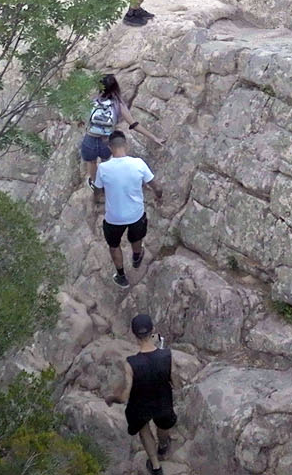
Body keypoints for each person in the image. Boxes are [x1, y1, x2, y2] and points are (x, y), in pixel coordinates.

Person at [117, 313, 179, 475]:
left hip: (141, 403)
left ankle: (156, 467)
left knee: (143, 428)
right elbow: (175, 382)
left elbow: (125, 396)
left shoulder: (130, 362)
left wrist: (112, 398)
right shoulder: (166, 355)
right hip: (162, 400)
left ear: (134, 334)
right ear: (152, 330)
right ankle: (163, 445)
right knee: (163, 421)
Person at [95, 131, 158, 288]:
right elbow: (156, 186)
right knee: (136, 237)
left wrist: (98, 200)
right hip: (136, 214)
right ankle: (137, 257)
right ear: (126, 145)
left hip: (113, 217)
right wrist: (159, 196)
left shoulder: (103, 168)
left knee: (114, 245)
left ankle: (121, 276)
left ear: (110, 147)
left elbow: (98, 191)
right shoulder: (139, 164)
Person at [81, 75, 128, 204]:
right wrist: (153, 137)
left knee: (91, 162)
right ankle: (107, 184)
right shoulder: (118, 105)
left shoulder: (93, 101)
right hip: (106, 141)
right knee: (106, 161)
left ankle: (96, 184)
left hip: (90, 139)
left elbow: (82, 118)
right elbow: (133, 123)